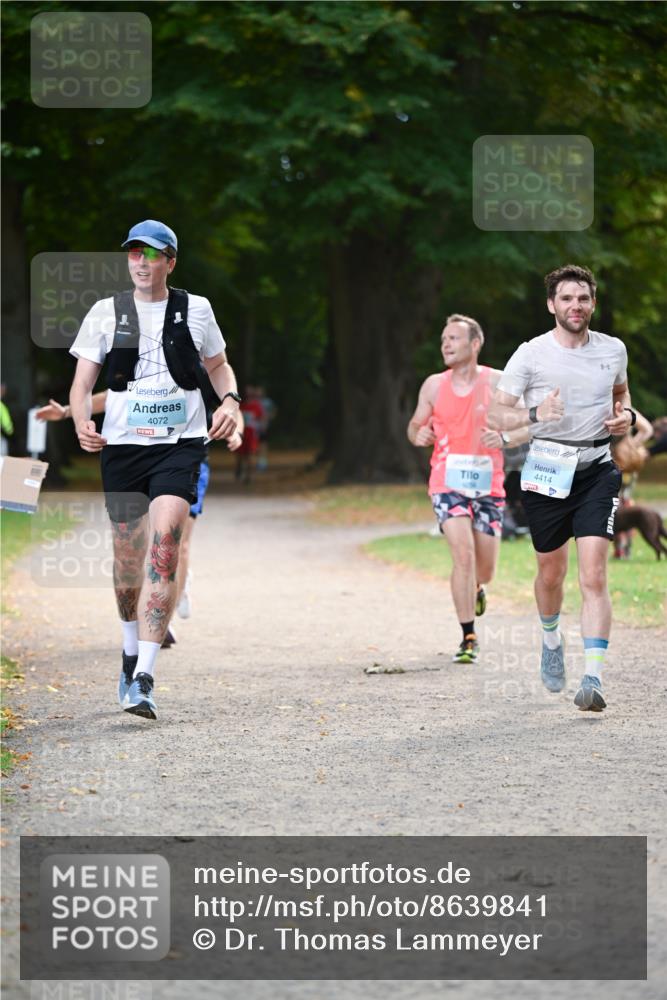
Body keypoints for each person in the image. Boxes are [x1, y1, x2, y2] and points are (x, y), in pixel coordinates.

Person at [68, 219, 241, 721]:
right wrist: (82, 421)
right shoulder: (106, 313)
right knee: (128, 559)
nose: (142, 263)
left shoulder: (196, 309)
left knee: (164, 548)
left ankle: (144, 676)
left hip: (179, 445)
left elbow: (218, 366)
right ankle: (128, 649)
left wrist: (228, 398)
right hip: (122, 448)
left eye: (152, 254)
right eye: (134, 254)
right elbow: (82, 385)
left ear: (170, 261)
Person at [489, 264, 633, 713]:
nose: (576, 306)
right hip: (548, 470)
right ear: (552, 304)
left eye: (584, 298)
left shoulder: (613, 350)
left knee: (594, 574)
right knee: (551, 574)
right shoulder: (531, 354)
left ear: (593, 303)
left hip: (597, 469)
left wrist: (626, 416)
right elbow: (496, 417)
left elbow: (622, 397)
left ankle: (593, 677)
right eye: (567, 298)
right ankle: (551, 638)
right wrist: (536, 417)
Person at [35, 392, 243, 622]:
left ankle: (163, 619)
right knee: (141, 544)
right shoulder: (146, 367)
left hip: (188, 463)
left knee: (176, 543)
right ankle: (149, 615)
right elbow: (111, 397)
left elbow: (232, 404)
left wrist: (237, 432)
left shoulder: (201, 364)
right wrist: (67, 411)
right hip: (143, 462)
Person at [407, 314, 531, 664]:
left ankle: (477, 587)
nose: (445, 344)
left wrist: (505, 435)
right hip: (446, 483)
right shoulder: (433, 385)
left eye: (454, 338)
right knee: (462, 555)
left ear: (475, 344)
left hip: (488, 485)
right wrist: (418, 433)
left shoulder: (498, 382)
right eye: (443, 338)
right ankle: (468, 636)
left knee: (485, 568)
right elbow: (415, 425)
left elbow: (529, 419)